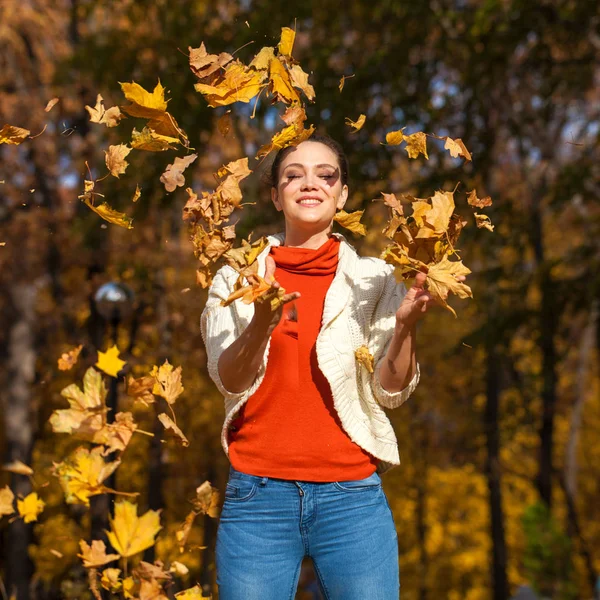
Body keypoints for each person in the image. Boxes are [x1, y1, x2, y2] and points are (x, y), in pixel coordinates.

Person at [201, 134, 455, 600]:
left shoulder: (374, 279)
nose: (309, 183)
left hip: (352, 498)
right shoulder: (236, 278)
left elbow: (390, 391)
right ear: (276, 196)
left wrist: (404, 330)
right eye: (292, 175)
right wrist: (261, 321)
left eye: (326, 174)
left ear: (342, 194)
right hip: (258, 499)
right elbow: (229, 378)